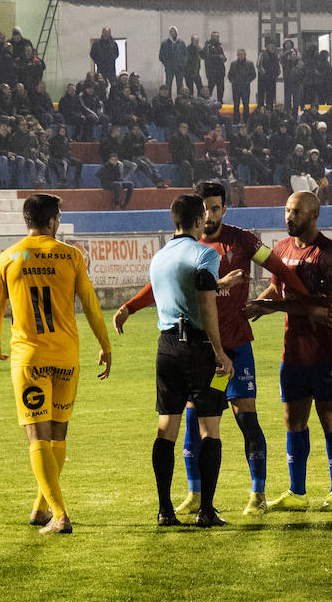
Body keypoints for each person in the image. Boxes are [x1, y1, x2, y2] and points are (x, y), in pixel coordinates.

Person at [114, 180, 310, 517]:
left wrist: (305, 297)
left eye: (216, 208)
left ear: (225, 208)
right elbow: (161, 285)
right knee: (195, 422)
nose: (210, 214)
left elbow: (276, 265)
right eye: (204, 208)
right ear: (196, 212)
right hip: (203, 351)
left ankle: (257, 493)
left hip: (234, 347)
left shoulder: (244, 240)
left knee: (245, 418)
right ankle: (195, 494)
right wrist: (131, 306)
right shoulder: (192, 248)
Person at [0, 193, 112, 535]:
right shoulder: (71, 256)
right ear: (52, 220)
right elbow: (90, 303)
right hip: (66, 357)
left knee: (37, 436)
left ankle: (59, 514)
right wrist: (105, 345)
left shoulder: (8, 258)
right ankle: (41, 508)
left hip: (30, 358)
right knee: (57, 434)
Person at [246, 192, 332, 513]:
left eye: (297, 212)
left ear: (314, 215)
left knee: (329, 416)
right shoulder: (281, 248)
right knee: (293, 419)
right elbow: (277, 289)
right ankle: (297, 491)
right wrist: (258, 306)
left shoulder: (330, 255)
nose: (289, 217)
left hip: (326, 350)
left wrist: (266, 306)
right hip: (293, 352)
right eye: (287, 211)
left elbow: (319, 305)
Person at [142, 194, 235, 527]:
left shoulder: (159, 257)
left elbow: (177, 293)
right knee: (210, 427)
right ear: (199, 221)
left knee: (166, 426)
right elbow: (206, 304)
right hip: (197, 348)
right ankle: (206, 511)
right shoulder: (205, 253)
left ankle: (165, 510)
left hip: (166, 347)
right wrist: (220, 352)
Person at [159, 28, 187, 97]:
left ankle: (180, 101)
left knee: (180, 85)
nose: (173, 33)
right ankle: (168, 100)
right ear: (169, 33)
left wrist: (182, 64)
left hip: (180, 68)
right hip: (169, 69)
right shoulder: (165, 43)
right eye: (171, 32)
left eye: (174, 31)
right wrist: (167, 64)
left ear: (177, 32)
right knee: (168, 84)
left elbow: (185, 55)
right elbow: (161, 56)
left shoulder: (181, 43)